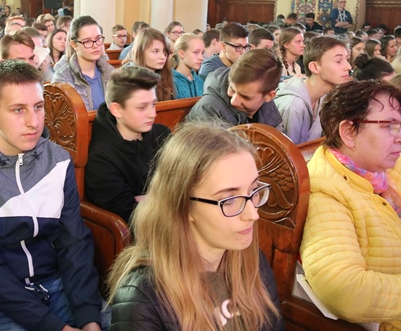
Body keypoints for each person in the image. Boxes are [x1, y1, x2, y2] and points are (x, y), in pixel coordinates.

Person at [0, 60, 105, 331]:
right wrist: (57, 328)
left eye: (38, 107)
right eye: (18, 110)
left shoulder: (58, 160)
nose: (33, 122)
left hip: (57, 284)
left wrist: (89, 317)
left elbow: (74, 243)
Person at [108, 122, 284, 331]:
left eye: (253, 191)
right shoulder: (142, 298)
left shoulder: (251, 260)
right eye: (229, 200)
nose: (253, 215)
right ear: (185, 206)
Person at [300, 80, 401, 330]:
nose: (399, 137)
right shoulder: (326, 188)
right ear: (348, 131)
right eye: (390, 126)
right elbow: (343, 287)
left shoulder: (383, 167)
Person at [85, 66, 171, 223]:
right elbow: (129, 214)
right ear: (117, 110)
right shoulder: (101, 158)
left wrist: (147, 198)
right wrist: (168, 197)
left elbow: (185, 182)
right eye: (142, 107)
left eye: (153, 104)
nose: (152, 114)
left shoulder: (162, 134)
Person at [274, 36, 351, 144]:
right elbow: (287, 152)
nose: (348, 67)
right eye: (338, 61)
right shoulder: (293, 106)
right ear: (315, 67)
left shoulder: (324, 97)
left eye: (346, 59)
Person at [187, 48, 283, 129]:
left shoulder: (267, 105)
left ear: (269, 96)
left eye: (245, 97)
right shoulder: (208, 110)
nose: (234, 102)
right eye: (232, 89)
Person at [53, 15, 115, 111]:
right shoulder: (63, 78)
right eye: (87, 41)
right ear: (74, 44)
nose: (95, 45)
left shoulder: (111, 72)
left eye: (98, 38)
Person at [125, 27, 175, 101]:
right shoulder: (127, 80)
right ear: (141, 52)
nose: (163, 57)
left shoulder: (166, 73)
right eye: (156, 51)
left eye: (164, 51)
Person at [172, 33, 205, 99]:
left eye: (202, 53)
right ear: (182, 53)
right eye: (196, 52)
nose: (201, 58)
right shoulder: (170, 82)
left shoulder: (200, 81)